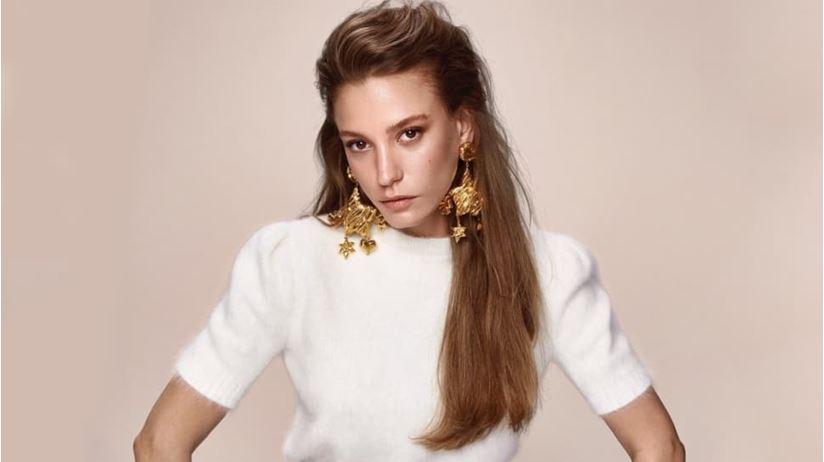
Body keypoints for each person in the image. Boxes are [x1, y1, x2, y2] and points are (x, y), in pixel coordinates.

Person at [134, 1, 685, 461]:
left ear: (463, 128)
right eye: (359, 144)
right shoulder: (290, 261)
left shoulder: (548, 272)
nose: (385, 173)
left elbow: (659, 446)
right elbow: (159, 444)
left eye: (409, 134)